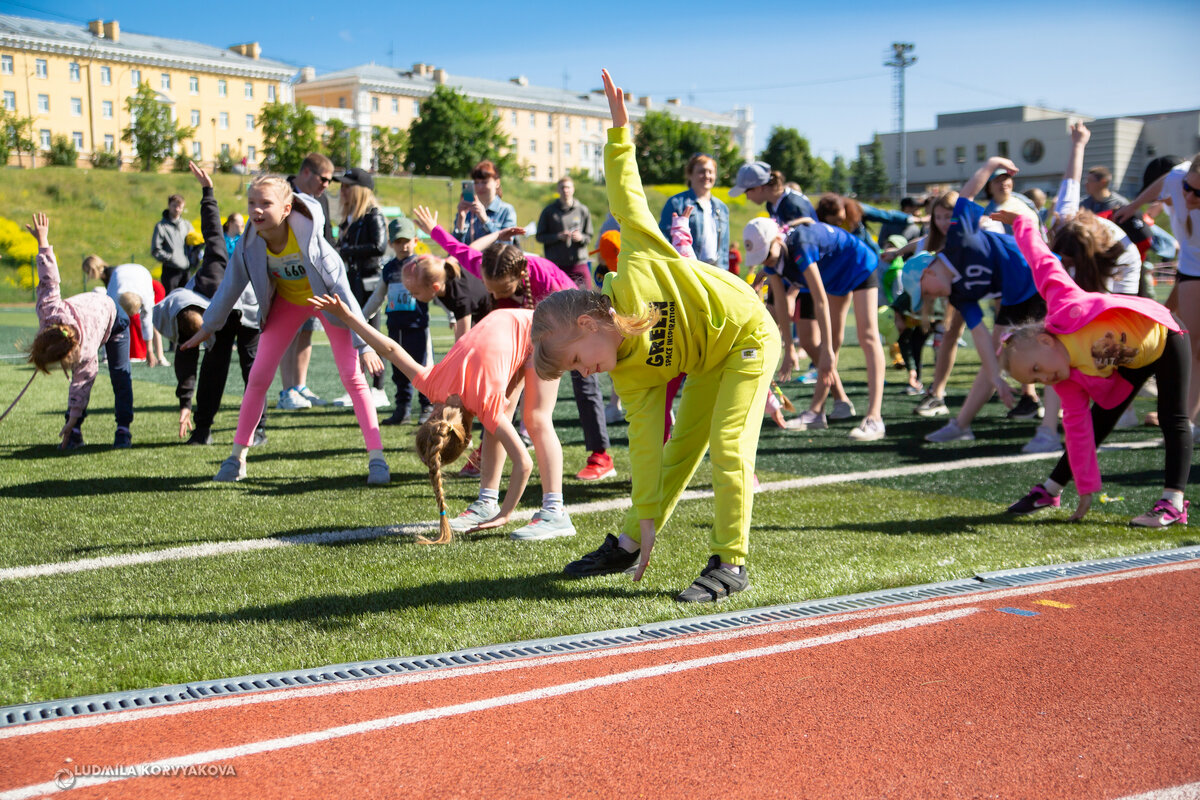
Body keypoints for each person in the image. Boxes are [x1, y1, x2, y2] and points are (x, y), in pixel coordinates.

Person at [531, 69, 781, 603]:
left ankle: (731, 561)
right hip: (711, 359)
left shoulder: (639, 260)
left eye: (577, 360)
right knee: (677, 453)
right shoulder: (630, 376)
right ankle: (624, 543)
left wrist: (620, 134)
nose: (584, 373)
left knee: (728, 445)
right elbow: (646, 451)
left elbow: (627, 194)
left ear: (586, 323)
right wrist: (644, 523)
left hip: (749, 332)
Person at [310, 297, 574, 543]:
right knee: (500, 421)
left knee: (537, 418)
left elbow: (524, 464)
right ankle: (486, 502)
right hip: (511, 324)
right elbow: (390, 349)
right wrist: (346, 315)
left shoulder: (481, 402)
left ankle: (555, 511)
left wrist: (506, 515)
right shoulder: (433, 387)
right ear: (431, 418)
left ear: (467, 438)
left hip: (541, 332)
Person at [179, 175, 388, 485]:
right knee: (259, 376)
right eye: (252, 203)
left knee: (353, 377)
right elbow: (230, 286)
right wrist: (207, 326)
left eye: (266, 203)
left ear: (287, 208)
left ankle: (377, 459)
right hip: (288, 303)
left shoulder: (315, 242)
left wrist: (365, 345)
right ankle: (237, 458)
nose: (257, 210)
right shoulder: (249, 243)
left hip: (328, 303)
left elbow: (343, 292)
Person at [995, 209, 1190, 527]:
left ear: (1045, 342)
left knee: (1173, 417)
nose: (1044, 379)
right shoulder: (1066, 381)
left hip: (1165, 333)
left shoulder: (1065, 304)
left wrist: (1022, 221)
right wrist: (1086, 490)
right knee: (1095, 421)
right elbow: (1077, 431)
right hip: (1133, 361)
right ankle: (1052, 490)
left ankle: (1173, 503)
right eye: (1035, 379)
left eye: (1036, 369)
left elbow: (1041, 259)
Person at [415, 206, 617, 482]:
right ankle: (485, 456)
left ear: (519, 275)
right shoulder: (491, 269)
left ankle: (600, 455)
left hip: (566, 332)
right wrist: (434, 231)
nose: (494, 294)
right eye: (490, 289)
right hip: (523, 337)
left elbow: (576, 320)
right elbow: (461, 251)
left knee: (584, 382)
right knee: (498, 397)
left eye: (502, 291)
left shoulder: (545, 278)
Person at [919, 157, 1043, 446]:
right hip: (1018, 295)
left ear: (927, 271)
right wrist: (996, 377)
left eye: (925, 290)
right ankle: (962, 424)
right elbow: (982, 338)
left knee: (1060, 349)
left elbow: (966, 195)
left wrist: (990, 165)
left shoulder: (957, 239)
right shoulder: (959, 293)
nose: (931, 296)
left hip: (1042, 276)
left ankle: (1053, 429)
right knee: (1001, 355)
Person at [742, 216, 887, 441]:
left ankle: (875, 418)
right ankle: (817, 413)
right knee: (832, 345)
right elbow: (780, 302)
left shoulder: (801, 245)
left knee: (866, 336)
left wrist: (827, 349)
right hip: (835, 280)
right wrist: (788, 347)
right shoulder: (773, 260)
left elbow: (820, 300)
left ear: (778, 241)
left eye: (768, 256)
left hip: (859, 267)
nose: (767, 262)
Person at [172, 161, 266, 447]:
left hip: (248, 312)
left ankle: (257, 429)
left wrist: (208, 191)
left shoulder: (243, 247)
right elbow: (212, 225)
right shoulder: (204, 271)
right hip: (219, 314)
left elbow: (213, 226)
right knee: (215, 369)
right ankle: (204, 430)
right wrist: (207, 191)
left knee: (252, 370)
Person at [26, 212, 133, 449]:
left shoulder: (85, 352)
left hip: (115, 319)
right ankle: (75, 433)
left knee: (119, 374)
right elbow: (49, 279)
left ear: (70, 354)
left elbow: (81, 384)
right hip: (89, 313)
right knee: (81, 395)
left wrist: (72, 418)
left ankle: (123, 430)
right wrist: (42, 241)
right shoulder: (48, 309)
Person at [1115, 156, 1200, 436]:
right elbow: (1165, 182)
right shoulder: (1177, 178)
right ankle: (1185, 418)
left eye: (1197, 193)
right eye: (1188, 187)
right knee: (1190, 343)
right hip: (1190, 269)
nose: (1188, 195)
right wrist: (1133, 205)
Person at [279, 152, 337, 411]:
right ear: (306, 173)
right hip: (286, 276)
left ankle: (300, 386)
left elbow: (327, 238)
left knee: (306, 331)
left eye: (330, 180)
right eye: (323, 179)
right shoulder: (282, 194)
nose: (326, 185)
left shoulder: (321, 200)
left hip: (312, 278)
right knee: (287, 334)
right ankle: (286, 390)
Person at [363, 216, 432, 426]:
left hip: (418, 327)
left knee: (422, 367)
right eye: (398, 242)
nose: (403, 246)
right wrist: (361, 318)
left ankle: (427, 406)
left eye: (407, 241)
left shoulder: (422, 265)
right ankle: (403, 409)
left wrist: (451, 313)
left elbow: (435, 292)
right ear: (392, 244)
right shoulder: (390, 268)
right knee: (399, 370)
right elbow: (378, 296)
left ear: (415, 240)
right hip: (395, 328)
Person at [333, 167, 390, 407]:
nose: (342, 190)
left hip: (368, 282)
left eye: (347, 186)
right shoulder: (350, 218)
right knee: (355, 333)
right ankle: (358, 386)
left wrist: (344, 251)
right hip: (353, 281)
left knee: (370, 333)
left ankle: (378, 388)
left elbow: (379, 246)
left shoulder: (372, 215)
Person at [81, 256, 165, 368]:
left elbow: (146, 321)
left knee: (152, 321)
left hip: (143, 276)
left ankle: (160, 355)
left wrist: (149, 350)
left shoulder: (146, 298)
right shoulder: (113, 294)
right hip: (125, 277)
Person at [658, 153, 730, 271]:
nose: (707, 175)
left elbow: (724, 248)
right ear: (690, 174)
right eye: (702, 171)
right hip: (687, 269)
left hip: (715, 271)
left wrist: (724, 273)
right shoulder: (676, 203)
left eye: (710, 172)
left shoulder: (722, 207)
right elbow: (664, 240)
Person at [536, 175, 595, 288]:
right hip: (556, 265)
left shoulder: (582, 210)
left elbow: (589, 235)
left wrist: (580, 237)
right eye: (562, 187)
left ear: (573, 189)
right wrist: (557, 237)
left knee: (586, 299)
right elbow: (539, 236)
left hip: (578, 263)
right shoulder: (549, 211)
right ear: (558, 190)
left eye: (568, 187)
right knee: (558, 302)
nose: (565, 190)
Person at [454, 159, 517, 246]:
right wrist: (461, 219)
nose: (480, 187)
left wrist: (485, 220)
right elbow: (454, 249)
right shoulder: (468, 211)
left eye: (484, 182)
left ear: (497, 183)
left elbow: (506, 245)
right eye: (476, 183)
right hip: (470, 259)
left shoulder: (506, 210)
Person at [151, 193, 194, 294]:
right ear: (169, 205)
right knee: (170, 299)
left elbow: (193, 245)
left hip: (186, 270)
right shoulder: (161, 226)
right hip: (170, 271)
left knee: (186, 299)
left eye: (180, 207)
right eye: (174, 205)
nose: (177, 209)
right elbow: (155, 249)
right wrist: (170, 258)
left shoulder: (186, 225)